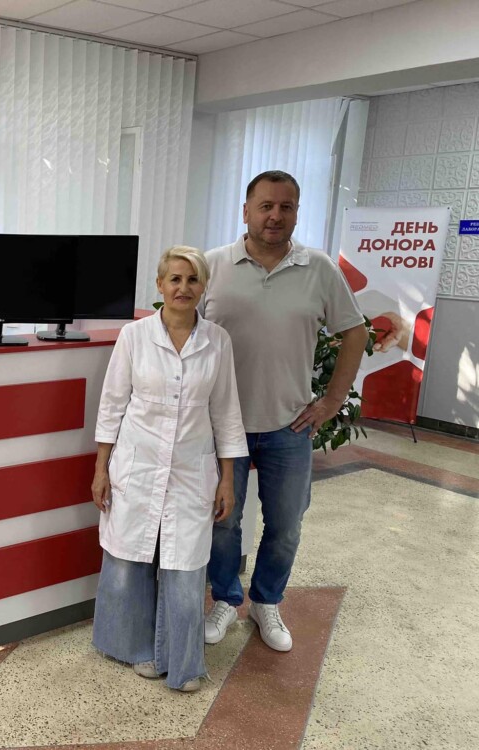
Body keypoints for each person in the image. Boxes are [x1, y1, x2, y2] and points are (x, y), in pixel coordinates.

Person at [201, 170, 368, 653]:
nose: (275, 216)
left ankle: (266, 602)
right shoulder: (212, 265)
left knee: (286, 525)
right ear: (246, 211)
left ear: (296, 213)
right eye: (266, 206)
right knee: (223, 523)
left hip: (288, 426)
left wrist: (332, 402)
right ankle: (225, 600)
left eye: (286, 207)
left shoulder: (319, 268)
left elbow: (355, 332)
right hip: (222, 427)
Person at [91, 246, 247, 693]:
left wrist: (228, 478)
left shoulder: (217, 341)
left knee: (186, 563)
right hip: (137, 464)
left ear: (204, 287)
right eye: (174, 279)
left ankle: (182, 662)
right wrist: (101, 468)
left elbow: (227, 414)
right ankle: (135, 648)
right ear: (159, 285)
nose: (183, 288)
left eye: (193, 279)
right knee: (129, 558)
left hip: (191, 470)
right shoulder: (134, 336)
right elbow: (112, 405)